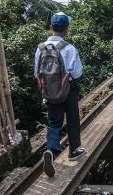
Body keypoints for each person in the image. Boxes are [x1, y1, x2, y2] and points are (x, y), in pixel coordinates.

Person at [34, 12, 86, 177]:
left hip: (50, 91)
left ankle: (51, 149)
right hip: (67, 90)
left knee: (54, 121)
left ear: (51, 28)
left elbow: (36, 72)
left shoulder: (40, 48)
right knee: (72, 120)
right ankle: (74, 151)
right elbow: (77, 73)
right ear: (67, 30)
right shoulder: (69, 48)